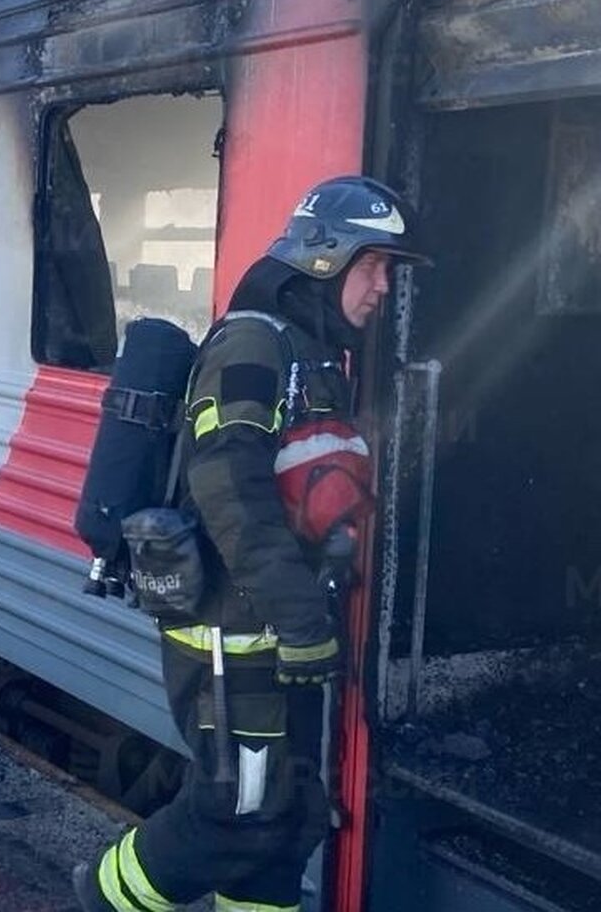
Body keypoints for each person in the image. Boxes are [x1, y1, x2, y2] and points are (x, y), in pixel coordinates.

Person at [73, 175, 428, 912]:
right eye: (375, 265)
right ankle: (102, 896)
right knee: (236, 812)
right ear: (326, 258)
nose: (384, 287)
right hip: (230, 634)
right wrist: (299, 619)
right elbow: (226, 485)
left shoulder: (311, 355)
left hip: (275, 631)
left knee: (288, 815)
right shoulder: (252, 347)